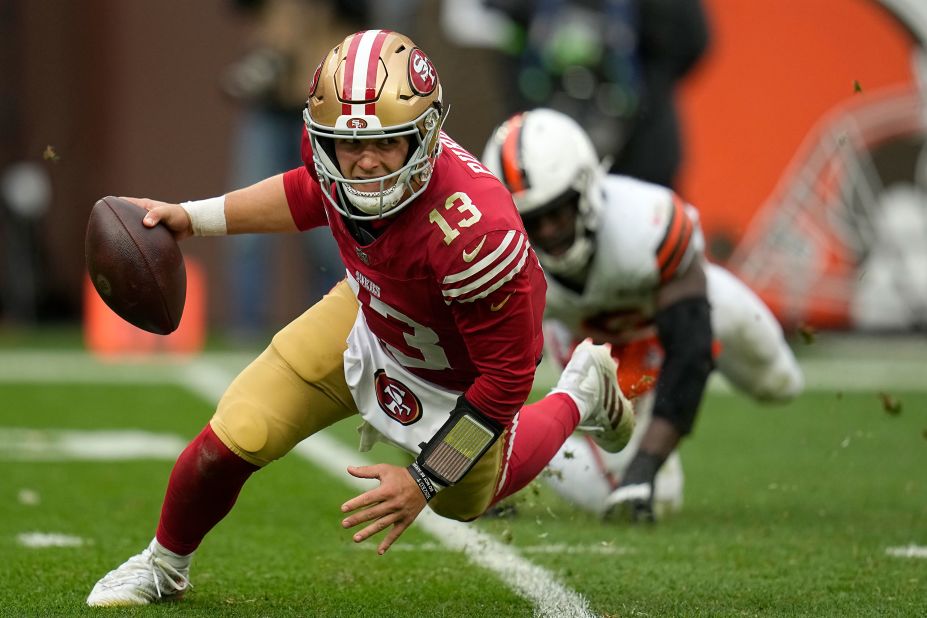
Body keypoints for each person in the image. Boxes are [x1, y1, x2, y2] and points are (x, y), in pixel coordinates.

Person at [85, 31, 635, 607]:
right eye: (348, 146)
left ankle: (580, 393)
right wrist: (192, 219)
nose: (366, 163)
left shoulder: (475, 233)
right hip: (369, 312)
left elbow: (503, 385)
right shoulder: (332, 157)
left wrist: (424, 480)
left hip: (458, 377)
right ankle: (163, 565)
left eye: (387, 144)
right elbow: (307, 192)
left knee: (462, 500)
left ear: (424, 136)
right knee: (238, 429)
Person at [481, 108, 804, 522]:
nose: (546, 232)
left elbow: (690, 350)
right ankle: (522, 451)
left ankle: (528, 451)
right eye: (531, 219)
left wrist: (646, 462)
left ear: (587, 189)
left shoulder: (645, 226)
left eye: (557, 212)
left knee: (780, 383)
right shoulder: (502, 257)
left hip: (684, 308)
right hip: (599, 352)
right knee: (652, 496)